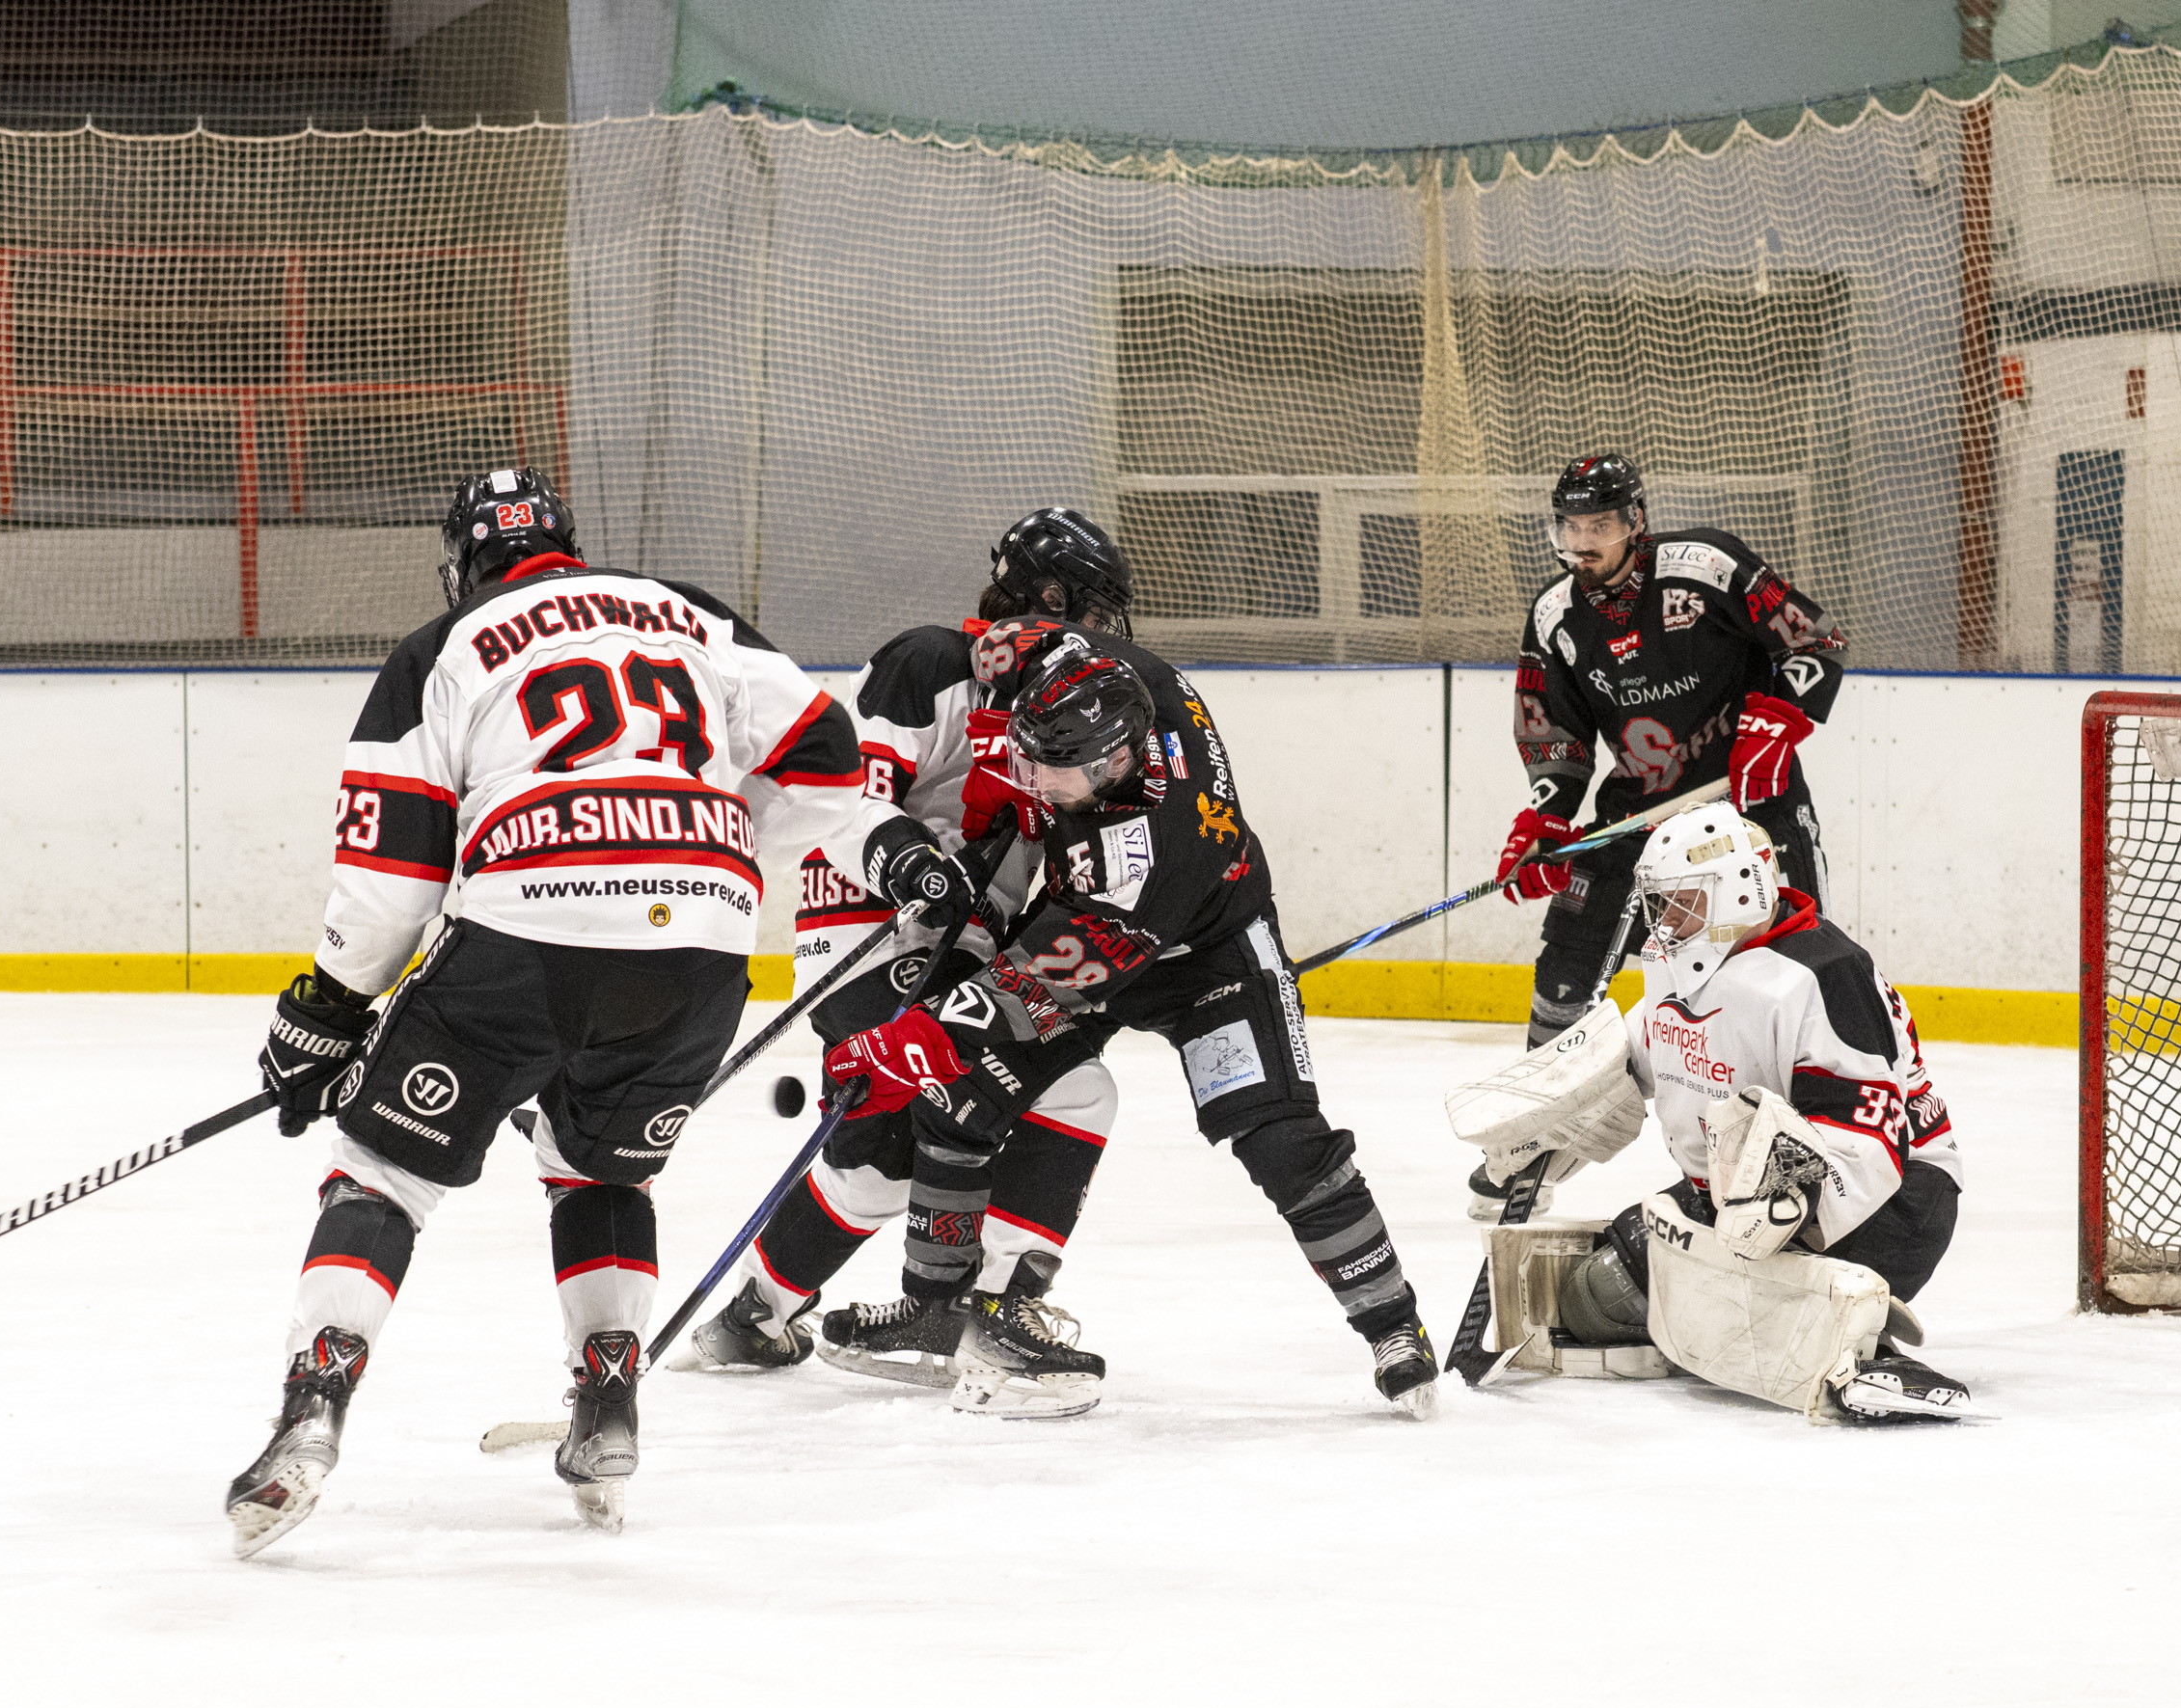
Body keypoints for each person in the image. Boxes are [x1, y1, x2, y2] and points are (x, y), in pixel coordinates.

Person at [226, 466, 865, 1556]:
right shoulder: (692, 614)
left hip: (526, 927)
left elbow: (392, 868)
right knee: (604, 1169)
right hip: (701, 944)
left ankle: (314, 1405)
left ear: (465, 560)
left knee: (385, 1170)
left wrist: (325, 1009)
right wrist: (708, 844)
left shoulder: (447, 643)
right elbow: (831, 753)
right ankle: (608, 1403)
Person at [822, 626, 1440, 1420]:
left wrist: (914, 1039)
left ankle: (1393, 1323)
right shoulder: (1107, 679)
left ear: (1115, 761)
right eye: (1026, 757)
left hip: (1207, 955)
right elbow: (1031, 639)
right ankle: (938, 1311)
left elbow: (1036, 985)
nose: (1031, 780)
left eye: (1050, 769)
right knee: (959, 1093)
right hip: (1087, 919)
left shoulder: (1146, 854)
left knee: (1278, 1135)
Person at [676, 508, 1130, 1385]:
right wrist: (909, 860)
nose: (1103, 632)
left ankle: (751, 1317)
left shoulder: (1072, 710)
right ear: (1048, 594)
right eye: (1093, 608)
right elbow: (839, 799)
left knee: (882, 1164)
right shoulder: (927, 662)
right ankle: (996, 1312)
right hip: (870, 935)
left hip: (960, 947)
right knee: (1070, 1086)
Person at [1450, 801, 1972, 1422]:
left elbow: (1869, 1133)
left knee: (1761, 1317)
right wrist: (1559, 1122)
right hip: (1733, 1198)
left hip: (1891, 1203)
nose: (1663, 921)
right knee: (1596, 1297)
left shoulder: (1825, 973)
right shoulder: (1678, 963)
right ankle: (1775, 1310)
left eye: (1681, 900)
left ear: (1740, 893)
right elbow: (1637, 1061)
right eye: (1658, 902)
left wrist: (1781, 1205)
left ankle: (1855, 1343)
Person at [1478, 451, 1854, 1218]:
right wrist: (1550, 817)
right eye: (1570, 527)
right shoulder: (1556, 614)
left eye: (1601, 525)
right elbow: (1552, 730)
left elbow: (1815, 641)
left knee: (1790, 971)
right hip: (1639, 816)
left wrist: (1778, 721)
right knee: (1566, 970)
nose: (1583, 543)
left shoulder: (1706, 566)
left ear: (1636, 523)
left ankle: (1801, 1140)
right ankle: (1534, 1140)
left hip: (1751, 809)